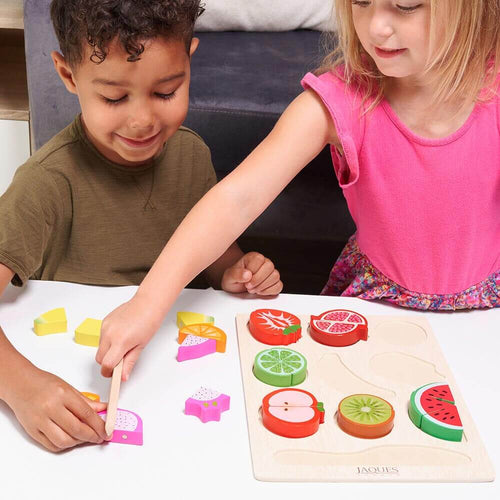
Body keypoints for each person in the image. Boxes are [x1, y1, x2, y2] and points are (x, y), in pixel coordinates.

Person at [97, 0, 500, 382]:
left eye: (406, 5)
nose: (376, 26)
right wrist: (146, 306)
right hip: (372, 315)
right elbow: (236, 199)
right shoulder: (338, 100)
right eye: (361, 2)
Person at [0, 0, 282, 452]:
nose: (143, 121)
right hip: (80, 375)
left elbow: (212, 253)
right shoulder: (46, 182)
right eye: (114, 98)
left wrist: (233, 268)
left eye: (166, 92)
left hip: (174, 374)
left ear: (189, 59)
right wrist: (21, 386)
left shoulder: (190, 155)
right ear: (68, 75)